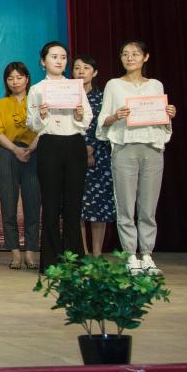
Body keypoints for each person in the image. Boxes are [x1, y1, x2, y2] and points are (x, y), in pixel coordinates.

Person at [97, 40, 176, 276]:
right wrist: (116, 116)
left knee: (148, 207)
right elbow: (103, 121)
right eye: (125, 54)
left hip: (152, 148)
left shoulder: (155, 85)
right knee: (125, 204)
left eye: (135, 54)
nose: (130, 58)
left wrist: (169, 113)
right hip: (125, 148)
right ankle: (130, 255)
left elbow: (161, 119)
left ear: (145, 57)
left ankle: (147, 255)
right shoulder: (113, 85)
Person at [27, 41, 92, 272]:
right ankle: (51, 261)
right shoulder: (37, 89)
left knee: (73, 204)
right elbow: (32, 124)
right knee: (51, 203)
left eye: (63, 57)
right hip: (49, 145)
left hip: (74, 144)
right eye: (54, 56)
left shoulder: (75, 87)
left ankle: (74, 260)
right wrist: (42, 115)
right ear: (43, 61)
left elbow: (87, 120)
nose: (59, 61)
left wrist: (79, 115)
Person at [0, 62, 41, 270]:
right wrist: (15, 149)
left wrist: (30, 148)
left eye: (19, 77)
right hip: (7, 154)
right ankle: (14, 252)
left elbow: (44, 127)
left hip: (34, 153)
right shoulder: (1, 104)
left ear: (27, 79)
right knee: (8, 205)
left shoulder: (37, 102)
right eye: (11, 78)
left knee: (33, 205)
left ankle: (30, 252)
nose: (15, 82)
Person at [73, 54, 114, 257]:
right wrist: (82, 149)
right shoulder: (68, 97)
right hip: (73, 154)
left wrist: (92, 149)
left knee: (99, 206)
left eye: (86, 68)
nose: (81, 72)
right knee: (77, 205)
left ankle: (97, 253)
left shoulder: (104, 98)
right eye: (77, 68)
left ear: (95, 72)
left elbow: (106, 125)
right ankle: (83, 252)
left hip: (100, 156)